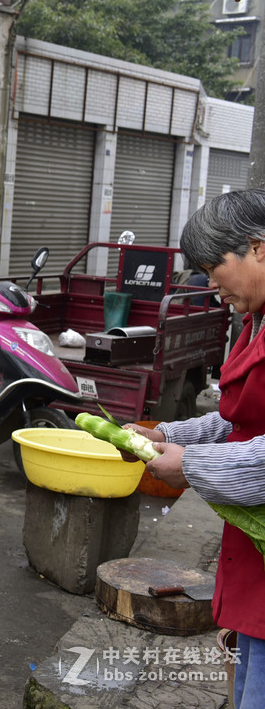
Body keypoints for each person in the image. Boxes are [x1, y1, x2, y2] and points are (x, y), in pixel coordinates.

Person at [129, 188, 265, 709]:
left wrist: (191, 465)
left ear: (256, 248)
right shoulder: (253, 318)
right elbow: (240, 419)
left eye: (214, 267)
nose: (209, 285)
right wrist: (168, 435)